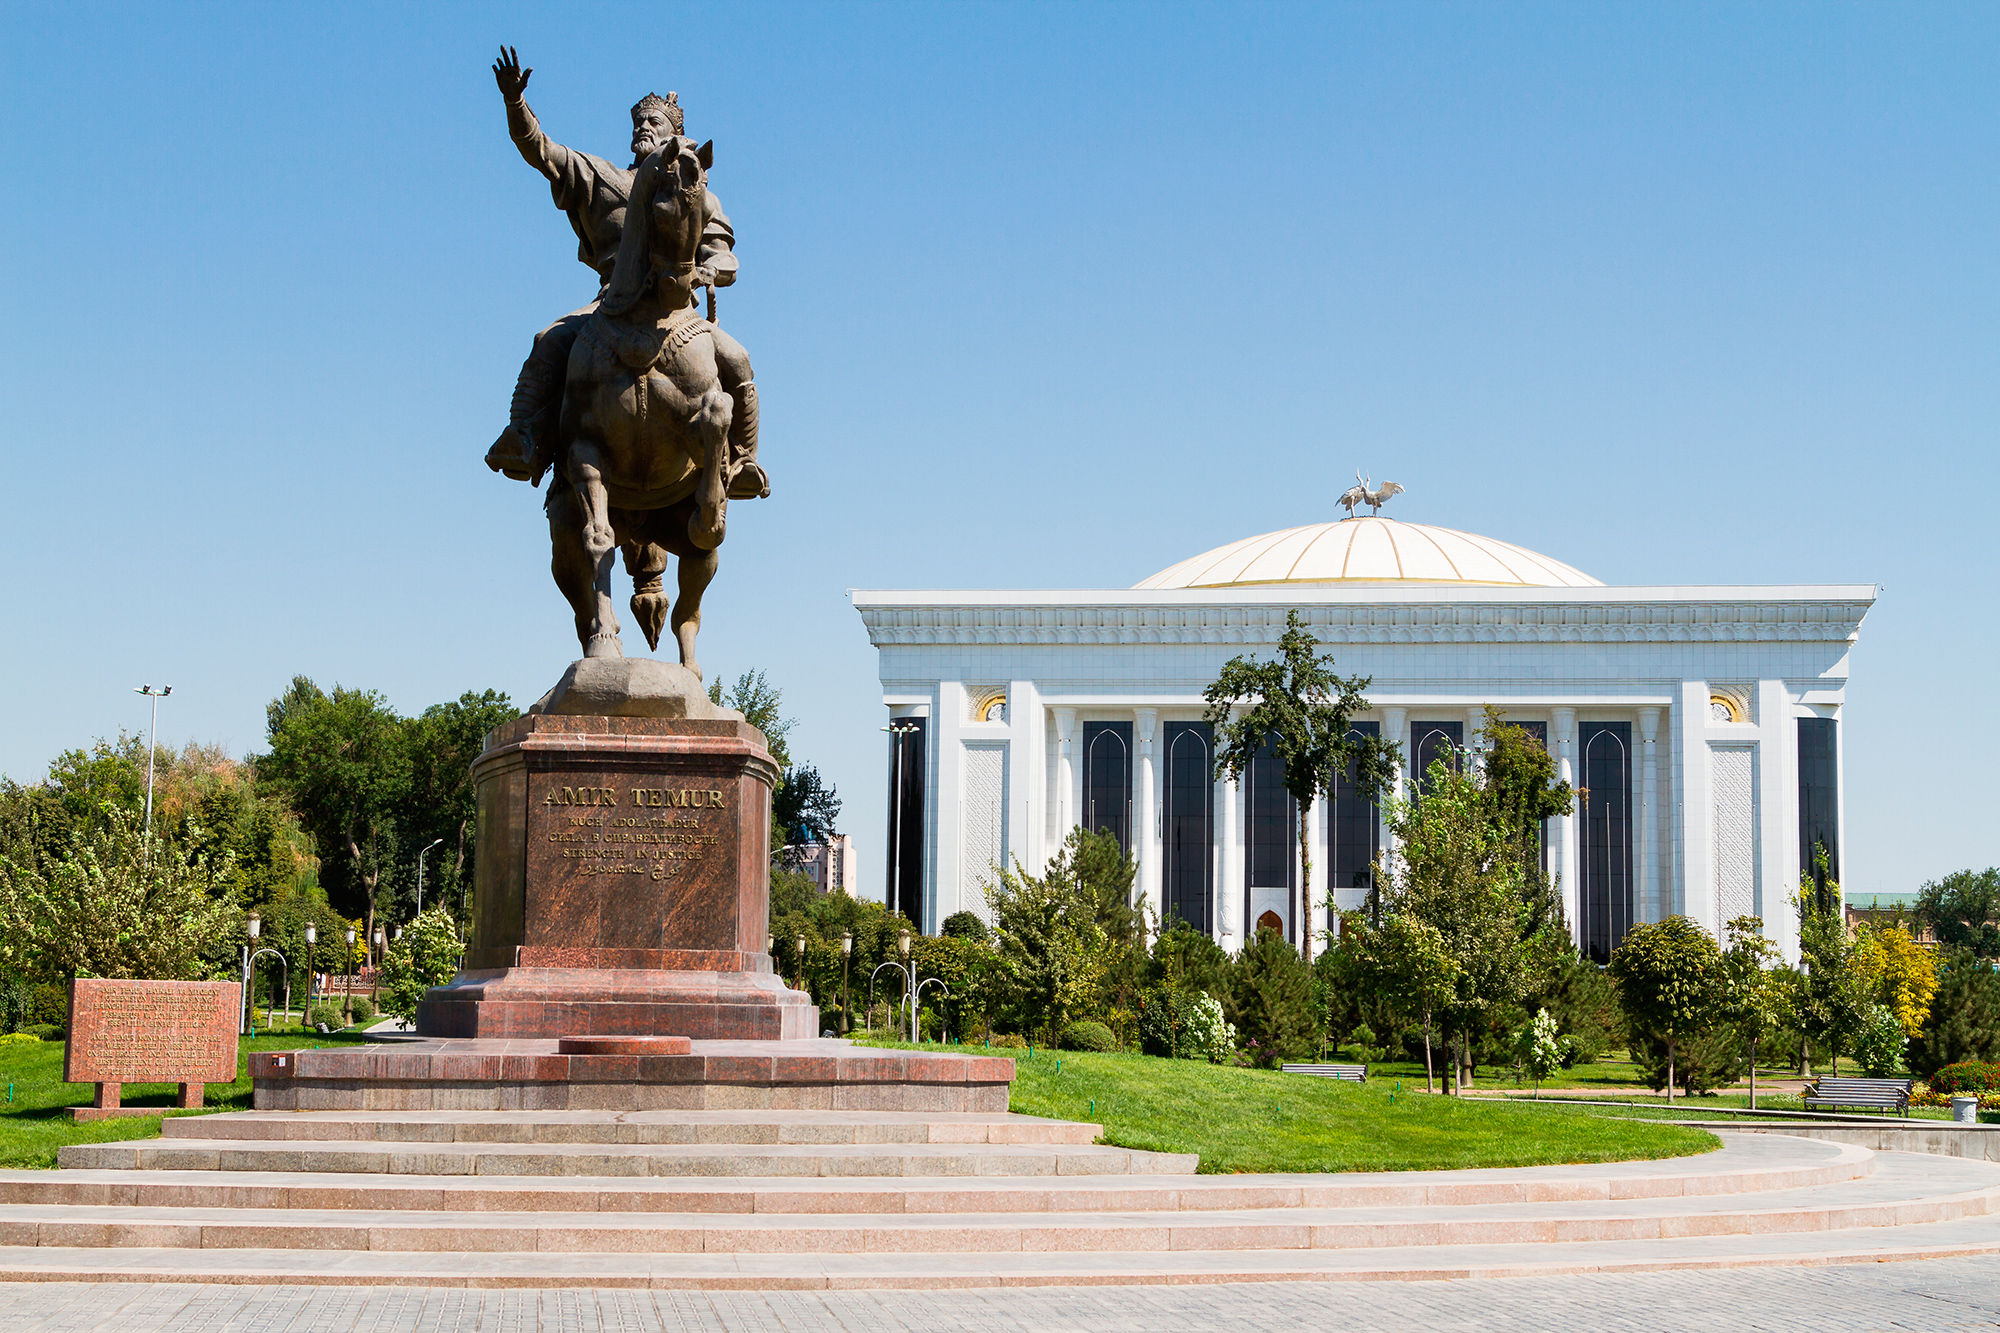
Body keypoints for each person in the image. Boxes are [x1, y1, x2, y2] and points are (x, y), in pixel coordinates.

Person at [483, 47, 765, 498]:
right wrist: (516, 103)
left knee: (738, 358)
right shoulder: (601, 177)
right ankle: (524, 439)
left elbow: (725, 255)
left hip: (680, 309)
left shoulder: (692, 190)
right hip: (609, 299)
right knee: (549, 340)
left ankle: (745, 460)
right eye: (639, 122)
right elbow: (541, 151)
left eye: (655, 123)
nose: (643, 127)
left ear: (675, 137)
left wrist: (705, 273)